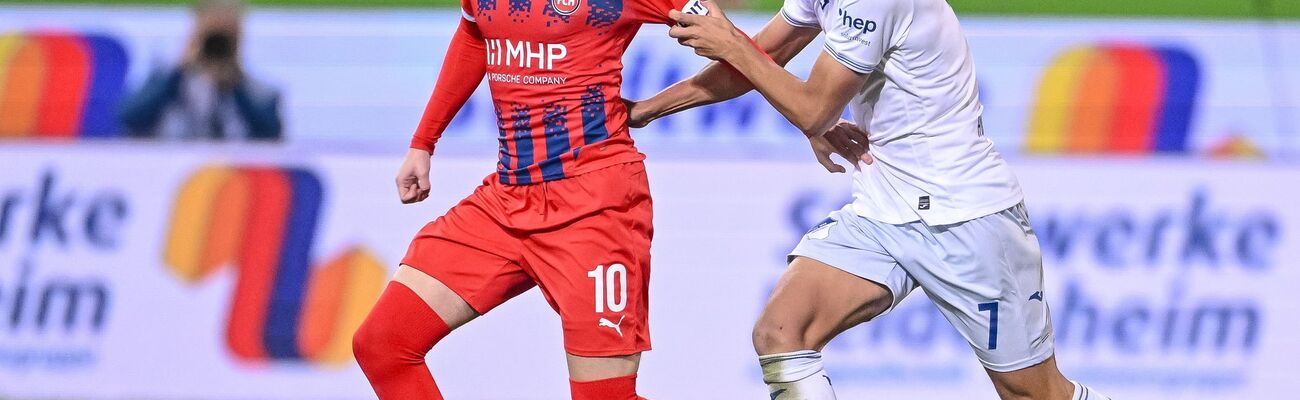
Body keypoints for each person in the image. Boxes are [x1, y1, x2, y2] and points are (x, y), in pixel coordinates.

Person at [626, 0, 1114, 399]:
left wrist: (734, 44)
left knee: (1032, 392)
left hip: (964, 217)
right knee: (781, 331)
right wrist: (647, 110)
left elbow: (810, 107)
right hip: (880, 212)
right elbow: (762, 60)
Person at [348, 0, 715, 398]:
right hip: (506, 200)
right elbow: (475, 35)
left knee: (605, 396)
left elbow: (738, 49)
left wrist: (650, 108)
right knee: (383, 345)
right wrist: (423, 142)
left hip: (595, 209)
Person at [118, 0, 282, 141]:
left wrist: (235, 84)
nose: (216, 46)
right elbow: (129, 118)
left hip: (231, 172)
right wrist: (179, 71)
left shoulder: (257, 90)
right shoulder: (166, 79)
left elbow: (271, 134)